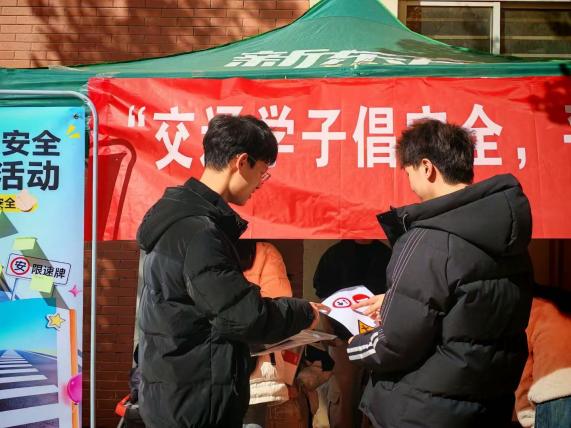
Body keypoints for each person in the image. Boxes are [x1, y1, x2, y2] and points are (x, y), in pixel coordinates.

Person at [136, 115, 324, 428]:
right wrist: (305, 312)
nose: (259, 185)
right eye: (262, 172)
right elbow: (243, 316)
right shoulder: (200, 233)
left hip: (173, 392)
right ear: (241, 162)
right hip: (196, 402)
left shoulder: (175, 223)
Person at [347, 119, 534, 428]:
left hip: (423, 411)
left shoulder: (430, 238)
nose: (408, 181)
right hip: (488, 406)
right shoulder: (509, 236)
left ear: (426, 167)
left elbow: (396, 342)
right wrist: (396, 301)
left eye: (407, 171)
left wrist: (357, 343)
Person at [313, 240, 391, 428]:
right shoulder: (334, 255)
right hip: (343, 340)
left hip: (380, 339)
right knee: (344, 397)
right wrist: (331, 336)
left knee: (376, 397)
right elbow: (323, 299)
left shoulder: (386, 254)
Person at [515, 285, 571, 428]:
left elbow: (523, 372)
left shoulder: (530, 310)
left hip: (553, 396)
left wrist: (527, 418)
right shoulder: (563, 306)